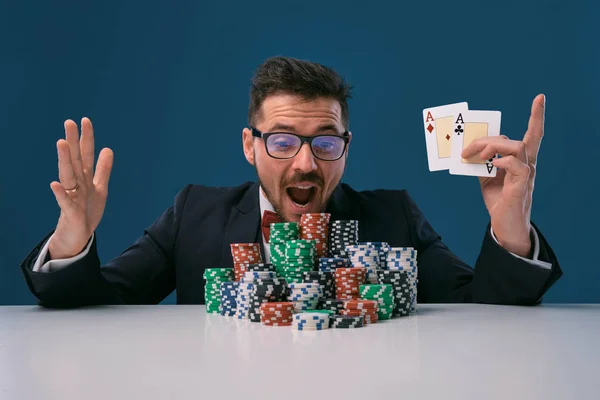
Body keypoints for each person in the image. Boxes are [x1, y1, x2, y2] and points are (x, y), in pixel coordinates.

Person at [20, 56, 562, 308]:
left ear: (347, 150)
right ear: (249, 145)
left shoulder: (392, 217)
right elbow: (95, 304)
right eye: (282, 141)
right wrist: (73, 239)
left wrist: (511, 227)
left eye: (325, 142)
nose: (305, 165)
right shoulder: (195, 213)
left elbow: (486, 312)